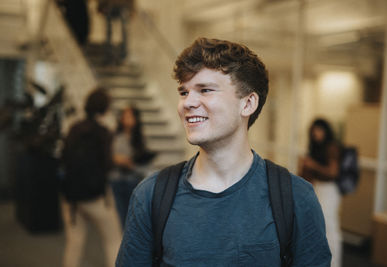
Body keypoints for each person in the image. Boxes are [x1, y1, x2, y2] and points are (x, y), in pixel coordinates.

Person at [116, 38, 331, 266]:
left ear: (247, 104)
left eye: (205, 90)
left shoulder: (295, 198)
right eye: (183, 92)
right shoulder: (151, 196)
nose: (188, 102)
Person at [61, 88, 121, 267]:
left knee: (74, 245)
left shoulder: (73, 128)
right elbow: (107, 165)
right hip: (96, 197)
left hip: (70, 197)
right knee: (113, 240)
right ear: (105, 108)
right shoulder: (103, 132)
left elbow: (64, 158)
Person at [301, 118, 342, 267]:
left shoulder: (331, 147)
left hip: (329, 189)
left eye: (319, 130)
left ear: (325, 130)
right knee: (318, 227)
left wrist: (313, 165)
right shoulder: (315, 148)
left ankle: (335, 263)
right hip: (317, 188)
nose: (316, 134)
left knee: (330, 227)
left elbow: (333, 172)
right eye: (314, 131)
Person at [109, 106, 155, 228]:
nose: (126, 119)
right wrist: (116, 160)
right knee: (119, 219)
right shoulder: (116, 137)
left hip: (133, 181)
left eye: (130, 116)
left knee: (133, 219)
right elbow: (109, 158)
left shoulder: (141, 140)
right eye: (124, 116)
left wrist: (131, 165)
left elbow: (146, 167)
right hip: (117, 180)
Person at [97, 0, 134, 64]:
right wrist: (101, 6)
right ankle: (109, 53)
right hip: (110, 6)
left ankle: (123, 53)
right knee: (109, 30)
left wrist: (132, 9)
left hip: (122, 7)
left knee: (124, 29)